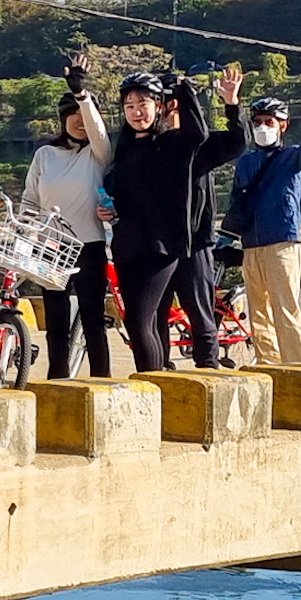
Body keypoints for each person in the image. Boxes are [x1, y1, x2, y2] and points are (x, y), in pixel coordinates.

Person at [101, 71, 207, 374]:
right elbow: (120, 191)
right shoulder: (123, 148)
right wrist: (107, 209)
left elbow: (198, 134)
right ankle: (157, 380)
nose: (137, 111)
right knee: (140, 321)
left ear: (158, 106)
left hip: (161, 247)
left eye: (143, 104)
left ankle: (151, 384)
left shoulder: (173, 143)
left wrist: (184, 90)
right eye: (129, 105)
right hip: (127, 245)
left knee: (138, 319)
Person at [22, 54, 113, 378]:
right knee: (56, 324)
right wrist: (28, 232)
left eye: (82, 116)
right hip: (51, 248)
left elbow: (99, 132)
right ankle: (57, 381)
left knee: (92, 322)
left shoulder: (98, 153)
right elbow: (30, 199)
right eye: (71, 115)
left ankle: (101, 382)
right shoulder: (45, 154)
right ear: (61, 119)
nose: (77, 120)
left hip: (89, 246)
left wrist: (82, 95)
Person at [160, 62, 248, 369]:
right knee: (158, 313)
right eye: (165, 101)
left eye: (176, 101)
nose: (170, 108)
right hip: (158, 245)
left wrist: (232, 105)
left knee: (200, 311)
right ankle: (159, 369)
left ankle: (208, 369)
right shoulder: (147, 143)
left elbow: (238, 142)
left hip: (196, 241)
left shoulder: (201, 142)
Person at [230, 90, 301, 364]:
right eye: (258, 121)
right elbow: (238, 200)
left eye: (269, 122)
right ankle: (267, 363)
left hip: (282, 242)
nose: (263, 127)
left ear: (283, 125)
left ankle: (298, 367)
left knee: (286, 308)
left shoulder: (292, 157)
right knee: (258, 310)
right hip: (251, 245)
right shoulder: (246, 162)